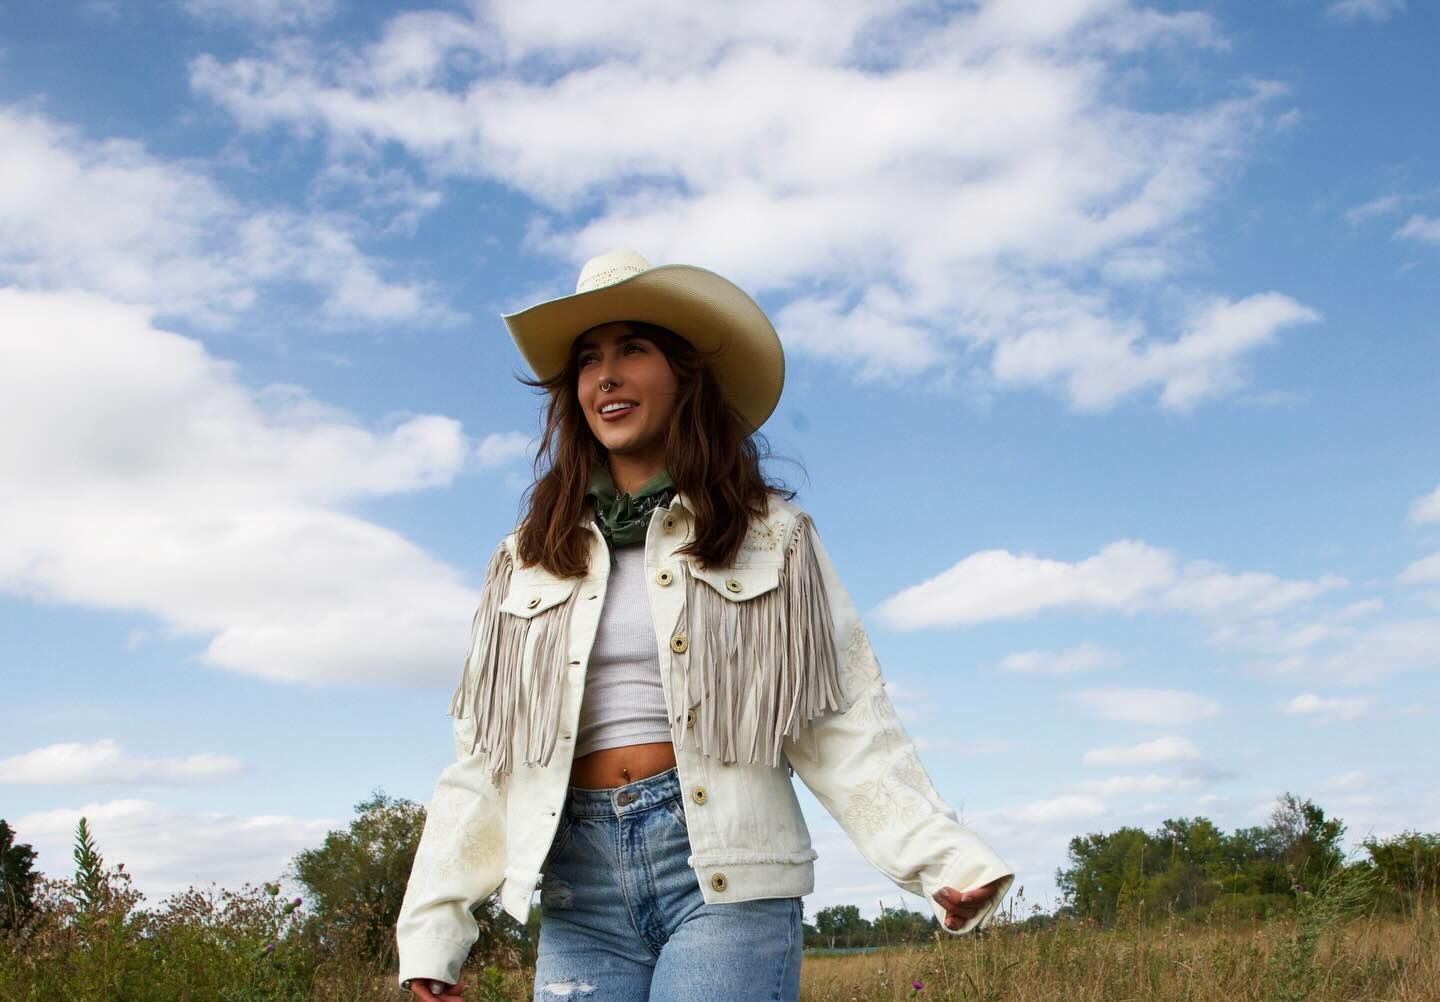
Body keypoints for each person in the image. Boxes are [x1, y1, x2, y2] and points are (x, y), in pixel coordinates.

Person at [396, 250, 1012, 1001]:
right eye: (589, 360)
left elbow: (843, 712)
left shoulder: (770, 536)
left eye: (632, 349)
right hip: (577, 890)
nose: (606, 375)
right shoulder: (524, 558)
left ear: (683, 375)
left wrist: (942, 859)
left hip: (725, 871)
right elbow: (486, 754)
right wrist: (434, 931)